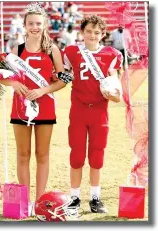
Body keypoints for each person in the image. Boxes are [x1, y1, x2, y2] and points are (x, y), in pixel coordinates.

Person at [0, 3, 67, 216]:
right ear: (25, 25)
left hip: (45, 107)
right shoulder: (16, 50)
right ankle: (25, 202)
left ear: (44, 24)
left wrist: (44, 90)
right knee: (23, 154)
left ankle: (39, 201)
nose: (35, 27)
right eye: (31, 23)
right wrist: (14, 84)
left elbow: (63, 79)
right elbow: (1, 77)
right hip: (20, 107)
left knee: (42, 154)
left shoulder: (53, 49)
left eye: (38, 23)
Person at [62, 15, 122, 214]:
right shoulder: (72, 52)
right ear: (82, 32)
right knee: (77, 154)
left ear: (103, 34)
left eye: (97, 33)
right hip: (78, 110)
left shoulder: (111, 54)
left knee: (97, 155)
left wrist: (113, 94)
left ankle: (95, 198)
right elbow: (63, 74)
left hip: (99, 112)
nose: (92, 35)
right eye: (89, 31)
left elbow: (116, 91)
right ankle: (74, 197)